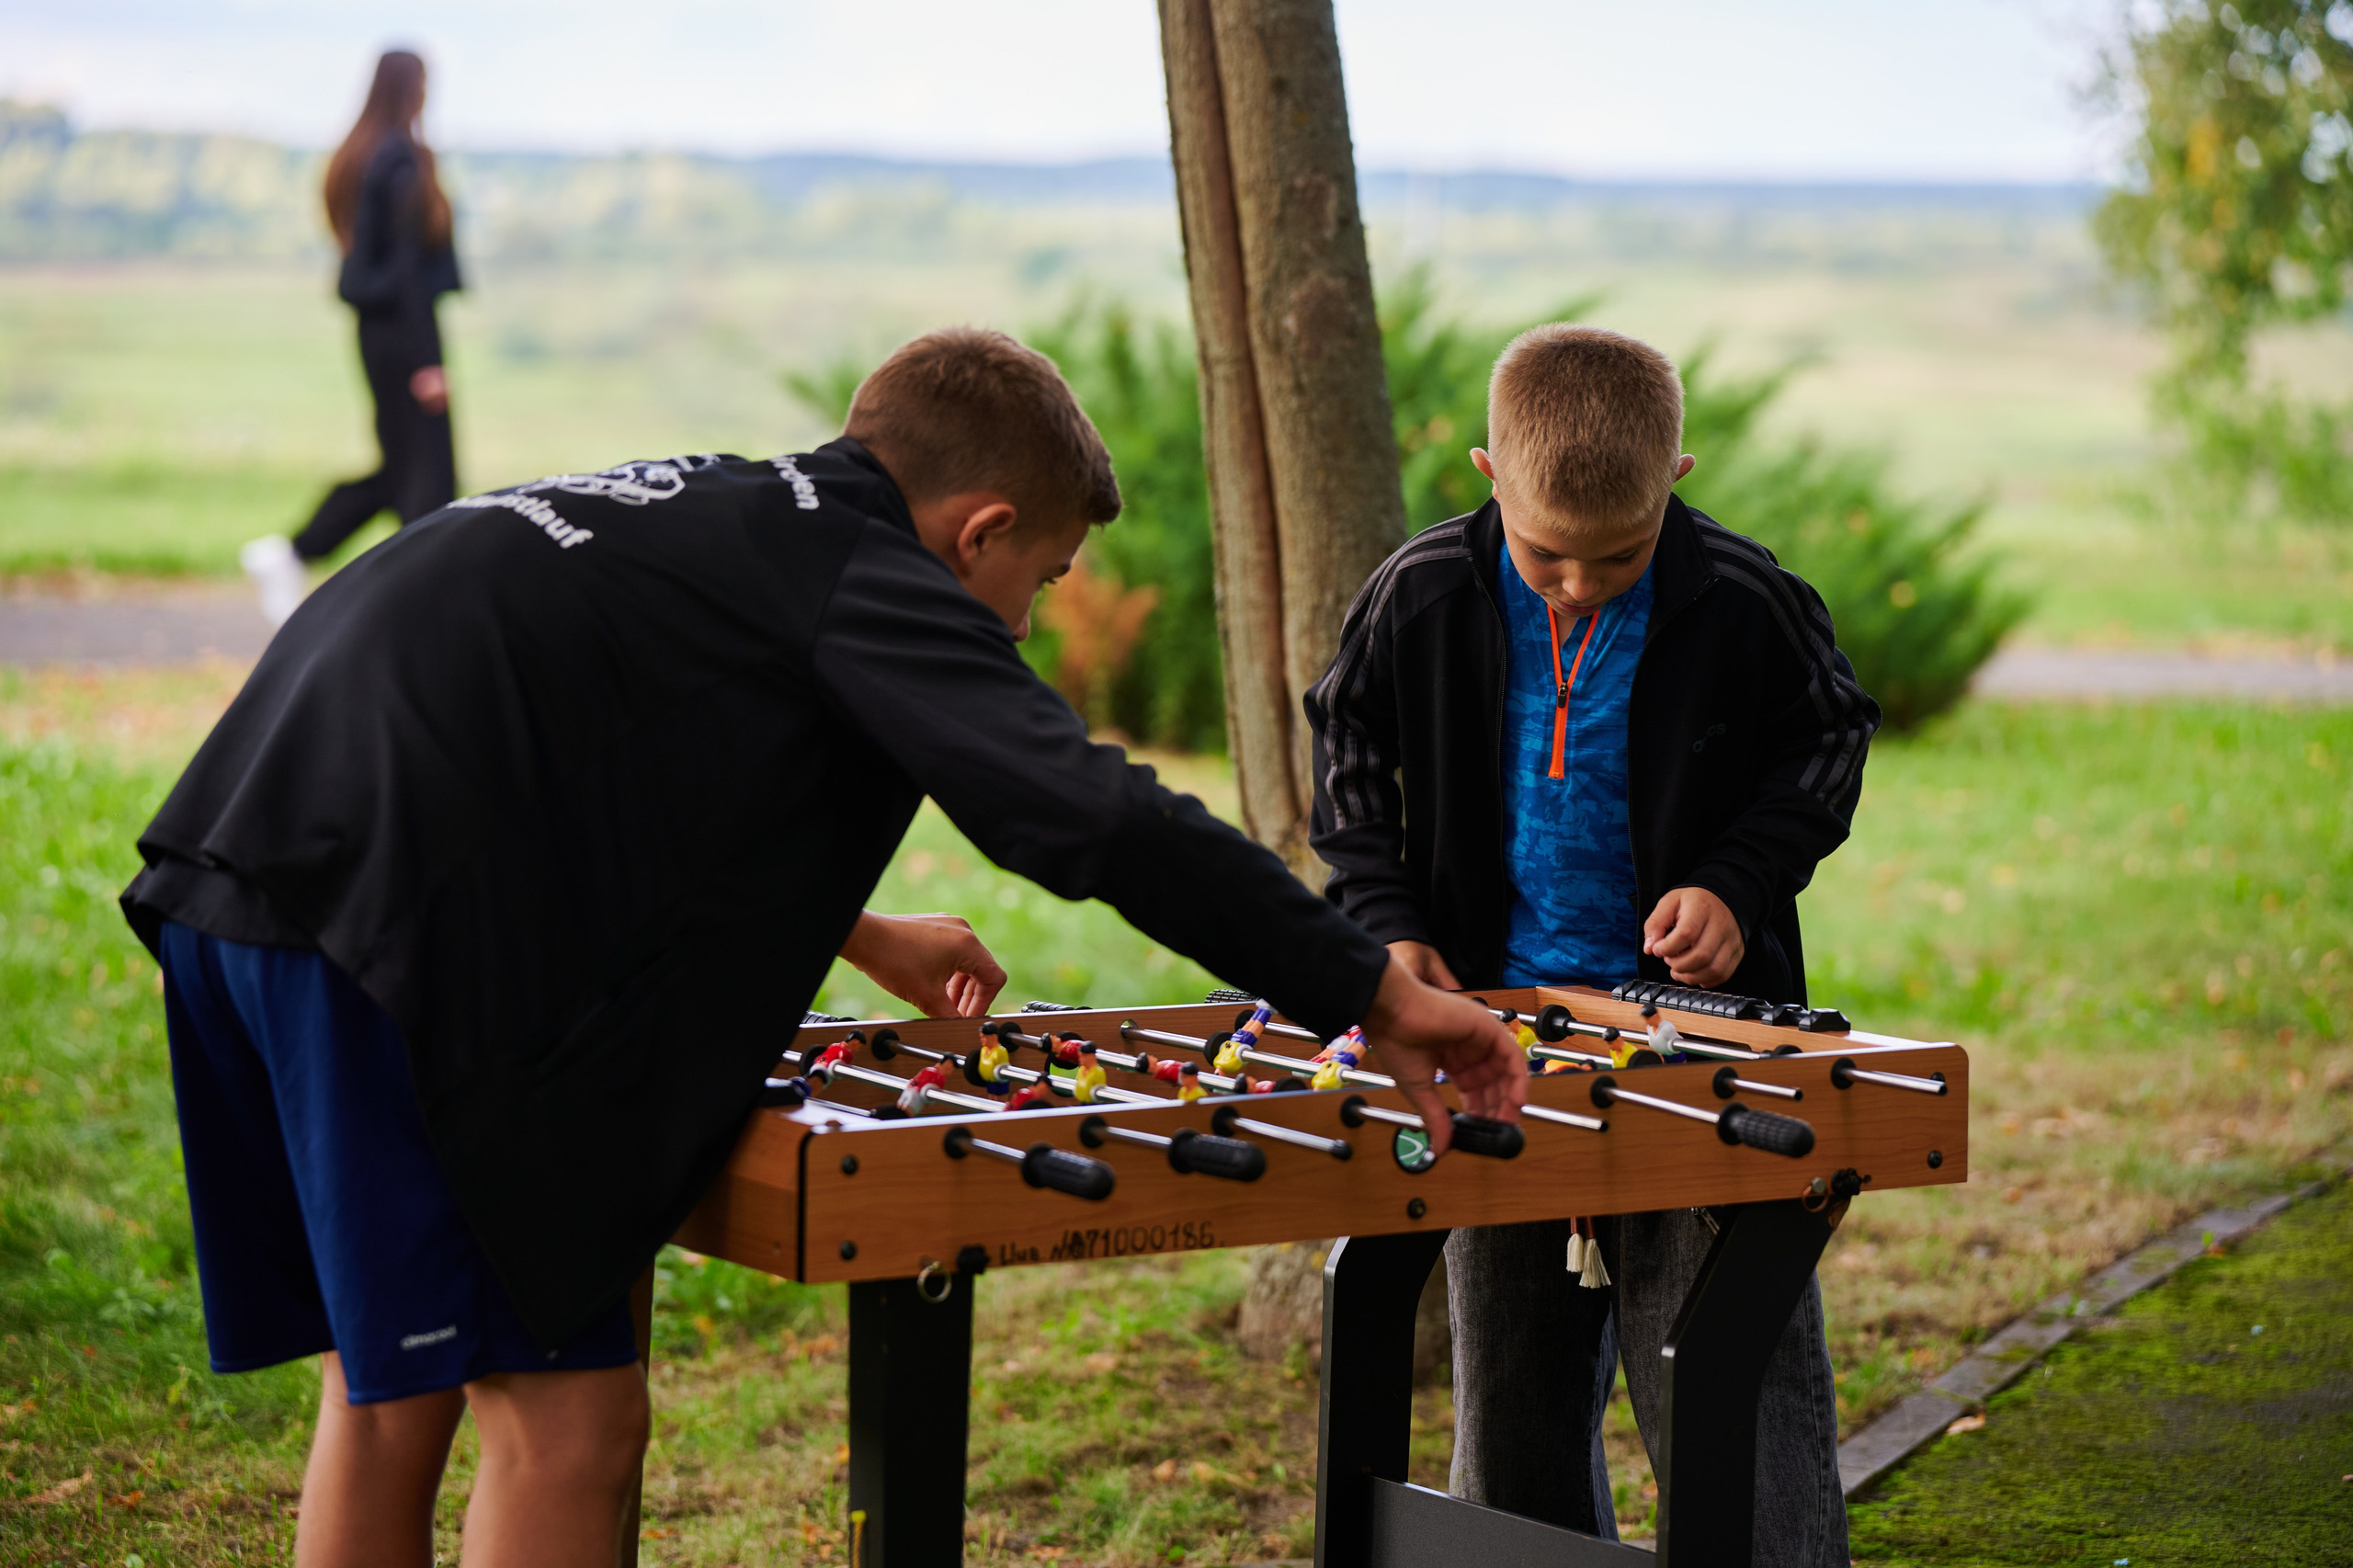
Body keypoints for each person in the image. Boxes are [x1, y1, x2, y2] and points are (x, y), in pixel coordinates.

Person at [124, 327, 1524, 1566]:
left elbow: (591, 751)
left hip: (240, 873)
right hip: (391, 932)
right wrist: (1363, 989)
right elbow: (1091, 812)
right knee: (571, 1424)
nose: (1029, 622)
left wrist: (856, 933)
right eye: (1042, 575)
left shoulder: (730, 510)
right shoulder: (864, 568)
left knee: (396, 1391)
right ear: (978, 530)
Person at [1304, 324, 1880, 1564]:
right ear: (1488, 476)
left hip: (1700, 1044)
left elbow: (1829, 742)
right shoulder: (1419, 593)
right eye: (1547, 554)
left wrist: (1736, 882)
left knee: (1735, 1374)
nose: (1578, 582)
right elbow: (1346, 753)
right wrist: (1390, 927)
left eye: (1618, 556)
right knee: (1512, 1389)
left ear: (1674, 480)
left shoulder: (1745, 596)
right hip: (1490, 1042)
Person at [243, 50, 461, 625]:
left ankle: (294, 551)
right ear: (412, 89)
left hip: (376, 334)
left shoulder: (358, 157)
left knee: (401, 470)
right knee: (430, 472)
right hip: (407, 335)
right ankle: (422, 604)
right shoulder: (401, 162)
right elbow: (409, 271)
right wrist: (428, 362)